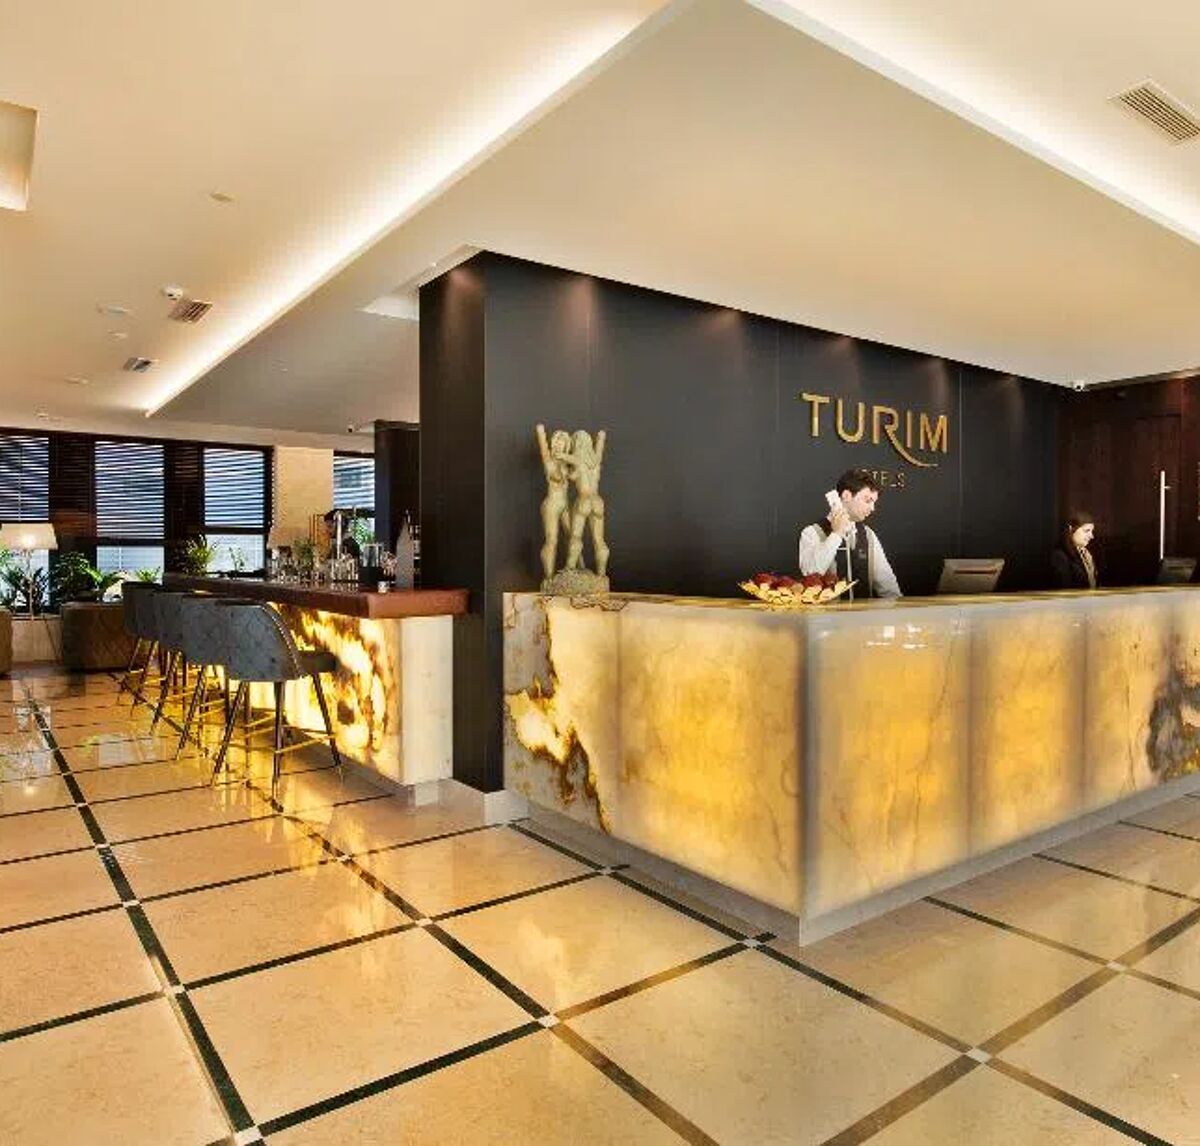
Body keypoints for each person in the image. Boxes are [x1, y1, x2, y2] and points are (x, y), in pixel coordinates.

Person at [797, 468, 901, 599]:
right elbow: (810, 573)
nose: (872, 508)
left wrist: (899, 608)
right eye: (867, 500)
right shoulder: (811, 533)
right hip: (826, 612)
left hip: (864, 612)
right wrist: (836, 534)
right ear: (846, 496)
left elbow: (888, 585)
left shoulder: (868, 535)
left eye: (874, 502)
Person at [1051, 511, 1099, 589]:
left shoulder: (1087, 554)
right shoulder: (1060, 555)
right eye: (1086, 531)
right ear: (1071, 529)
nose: (1091, 536)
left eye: (1091, 531)